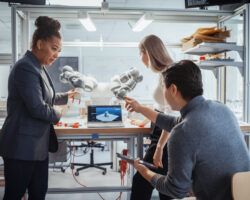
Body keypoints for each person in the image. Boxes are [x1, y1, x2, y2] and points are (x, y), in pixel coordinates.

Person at [125, 60, 250, 200]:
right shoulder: (221, 108)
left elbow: (175, 190)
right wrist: (140, 108)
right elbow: (174, 122)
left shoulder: (182, 132)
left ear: (173, 89)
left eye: (163, 87)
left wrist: (144, 171)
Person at [0, 16, 76, 200]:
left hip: (37, 148)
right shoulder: (25, 68)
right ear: (40, 43)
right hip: (21, 148)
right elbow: (37, 107)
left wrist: (66, 96)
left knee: (38, 194)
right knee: (14, 195)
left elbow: (46, 97)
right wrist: (60, 113)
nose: (56, 54)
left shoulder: (39, 67)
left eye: (59, 50)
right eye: (54, 48)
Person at [130, 35, 173, 200]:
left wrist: (160, 147)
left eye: (140, 53)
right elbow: (163, 108)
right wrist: (148, 119)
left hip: (166, 135)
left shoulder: (169, 74)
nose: (141, 59)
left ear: (147, 52)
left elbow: (172, 115)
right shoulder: (163, 73)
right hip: (162, 131)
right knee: (161, 185)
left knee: (143, 182)